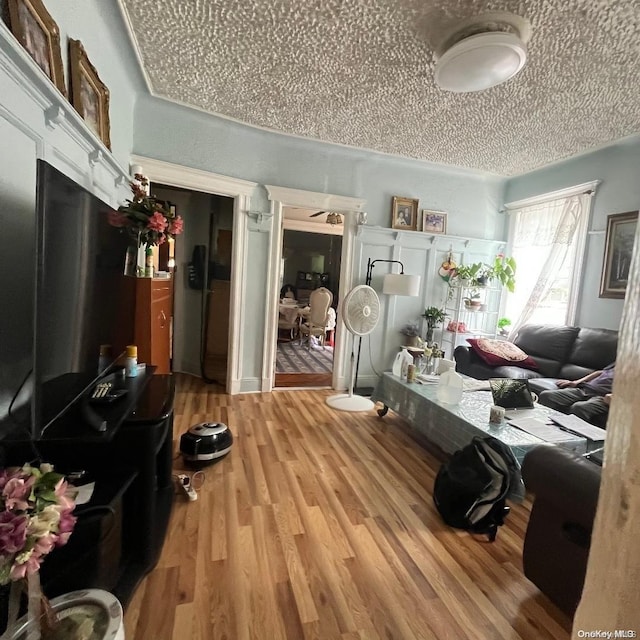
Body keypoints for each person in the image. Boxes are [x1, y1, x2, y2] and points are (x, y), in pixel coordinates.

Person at [538, 363, 615, 428]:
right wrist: (576, 382)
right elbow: (601, 372)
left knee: (579, 407)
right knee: (547, 395)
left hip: (603, 397)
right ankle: (540, 425)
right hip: (585, 389)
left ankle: (568, 436)